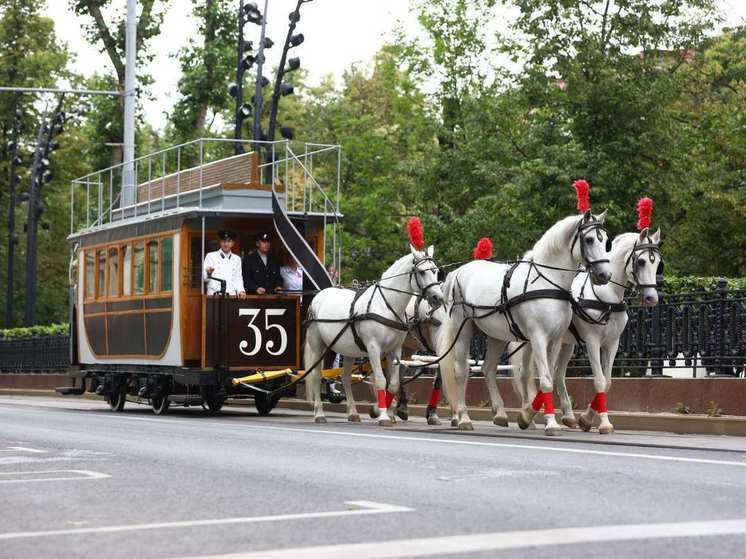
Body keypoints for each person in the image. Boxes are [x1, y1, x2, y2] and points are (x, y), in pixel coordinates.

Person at [203, 230, 245, 296]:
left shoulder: (237, 259)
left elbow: (238, 278)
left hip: (231, 296)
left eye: (229, 241)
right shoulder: (211, 256)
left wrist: (241, 290)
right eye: (223, 241)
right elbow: (204, 279)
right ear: (220, 242)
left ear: (233, 243)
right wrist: (209, 273)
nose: (226, 244)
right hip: (214, 296)